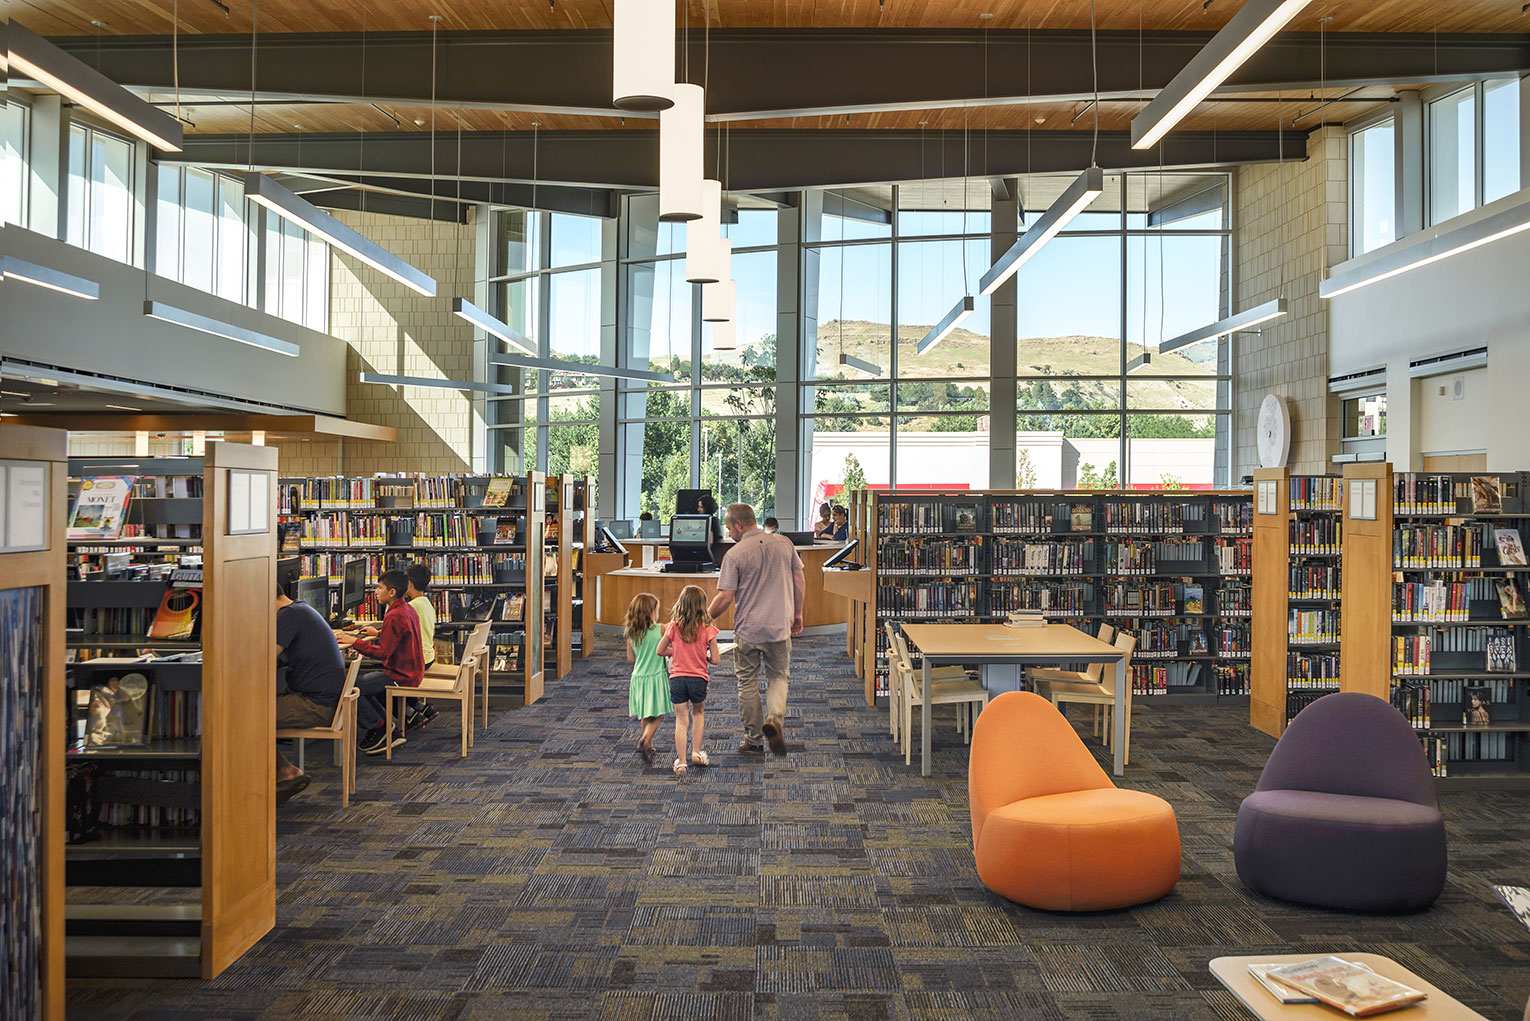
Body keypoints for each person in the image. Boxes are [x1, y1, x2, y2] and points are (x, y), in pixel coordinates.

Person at [708, 503, 804, 756]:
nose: (728, 533)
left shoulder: (735, 555)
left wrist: (703, 618)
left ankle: (753, 739)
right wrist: (798, 613)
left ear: (739, 524)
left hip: (748, 629)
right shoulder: (784, 544)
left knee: (747, 683)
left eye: (729, 527)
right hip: (779, 626)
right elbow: (799, 580)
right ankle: (774, 719)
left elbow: (725, 598)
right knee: (778, 677)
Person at [275, 582, 349, 803]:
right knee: (251, 711)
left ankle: (283, 773)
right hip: (322, 699)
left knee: (246, 717)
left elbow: (263, 659)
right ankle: (280, 771)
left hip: (316, 705)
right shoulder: (300, 608)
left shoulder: (287, 615)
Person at [338, 570, 423, 755]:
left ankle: (379, 727)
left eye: (379, 588)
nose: (376, 592)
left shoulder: (393, 616)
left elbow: (384, 653)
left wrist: (355, 641)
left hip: (400, 675)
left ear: (391, 592)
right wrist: (378, 634)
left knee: (350, 685)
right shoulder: (406, 608)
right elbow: (401, 637)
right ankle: (386, 725)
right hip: (412, 670)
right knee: (361, 682)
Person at [657, 584, 721, 776]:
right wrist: (706, 656)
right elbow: (716, 660)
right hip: (698, 679)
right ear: (703, 606)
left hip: (677, 678)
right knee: (698, 713)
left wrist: (675, 652)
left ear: (681, 604)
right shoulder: (709, 630)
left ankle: (682, 763)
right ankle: (696, 752)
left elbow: (660, 651)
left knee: (681, 720)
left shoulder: (672, 627)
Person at [625, 592, 671, 759]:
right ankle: (645, 740)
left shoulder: (632, 633)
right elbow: (667, 650)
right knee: (657, 713)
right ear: (651, 612)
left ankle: (649, 744)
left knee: (645, 713)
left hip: (638, 677)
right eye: (657, 610)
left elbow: (630, 658)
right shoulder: (661, 629)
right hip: (656, 676)